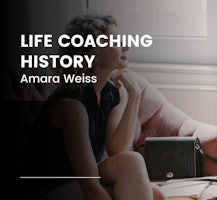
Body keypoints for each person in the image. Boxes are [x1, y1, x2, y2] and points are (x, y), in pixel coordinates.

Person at [20, 14, 166, 200]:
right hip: (50, 189)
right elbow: (89, 186)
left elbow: (117, 151)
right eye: (114, 41)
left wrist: (134, 97)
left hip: (77, 182)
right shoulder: (71, 105)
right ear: (93, 54)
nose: (126, 45)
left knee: (158, 195)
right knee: (133, 172)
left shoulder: (110, 92)